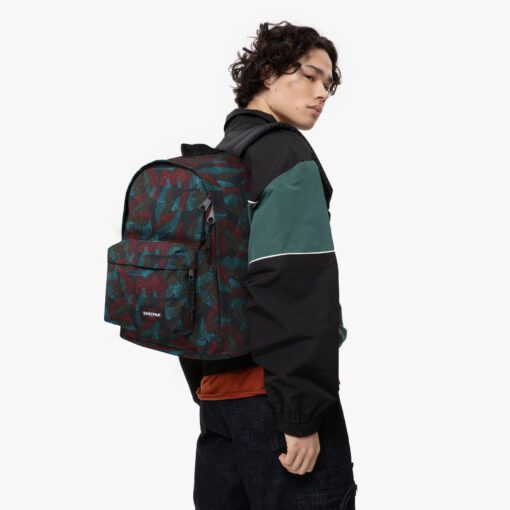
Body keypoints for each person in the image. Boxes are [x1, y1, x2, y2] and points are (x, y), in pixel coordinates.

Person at [179, 20, 358, 509]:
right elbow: (293, 286)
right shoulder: (284, 154)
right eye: (311, 75)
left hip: (218, 396)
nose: (322, 93)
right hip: (276, 401)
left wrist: (205, 385)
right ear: (268, 73)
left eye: (329, 84)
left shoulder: (219, 158)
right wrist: (301, 414)